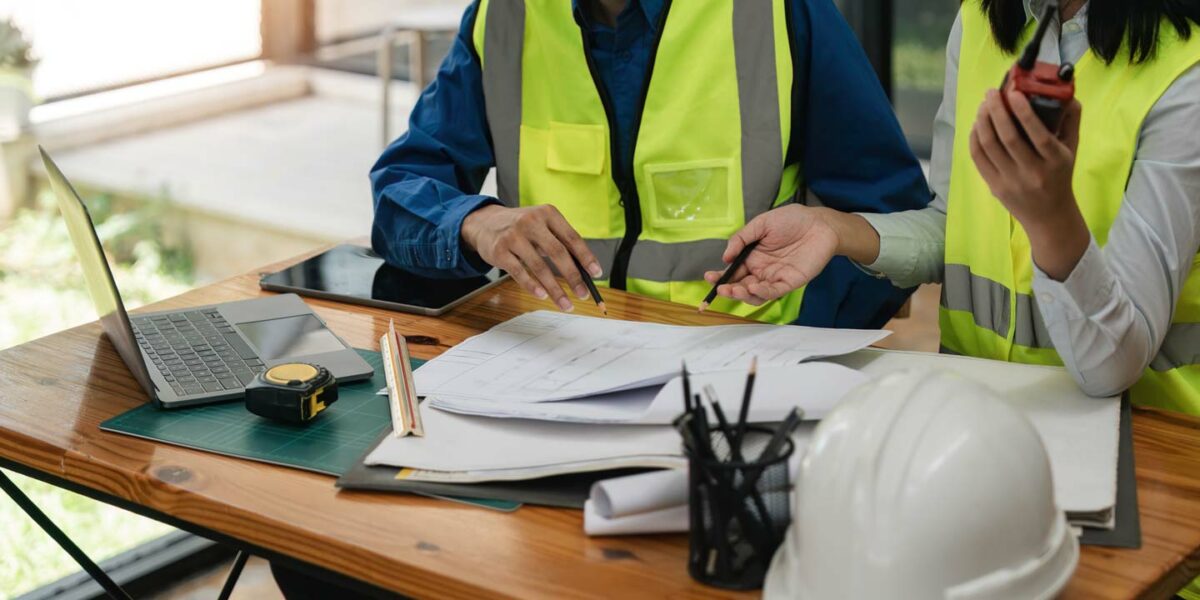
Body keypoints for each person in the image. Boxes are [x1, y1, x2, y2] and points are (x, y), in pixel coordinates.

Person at [707, 0, 1200, 593]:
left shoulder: (1186, 72)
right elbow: (953, 221)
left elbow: (1113, 363)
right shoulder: (981, 22)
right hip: (970, 452)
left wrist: (1052, 220)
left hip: (1146, 476)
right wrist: (837, 231)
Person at [369, 0, 931, 327]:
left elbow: (884, 221)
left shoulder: (781, 11)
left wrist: (804, 353)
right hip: (549, 381)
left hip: (745, 391)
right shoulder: (504, 16)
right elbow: (401, 191)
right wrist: (475, 223)